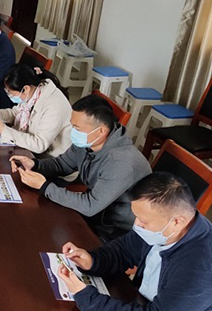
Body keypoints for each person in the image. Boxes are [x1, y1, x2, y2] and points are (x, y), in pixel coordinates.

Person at [57, 172, 212, 311]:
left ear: (176, 222)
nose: (136, 224)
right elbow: (124, 250)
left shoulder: (204, 267)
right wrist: (92, 260)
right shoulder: (166, 229)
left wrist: (86, 297)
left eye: (143, 221)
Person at [11, 94, 151, 241]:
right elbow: (62, 164)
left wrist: (44, 187)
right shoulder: (89, 141)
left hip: (116, 230)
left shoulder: (121, 163)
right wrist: (35, 164)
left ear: (101, 131)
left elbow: (90, 206)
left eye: (77, 128)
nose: (73, 132)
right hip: (96, 213)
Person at [0, 64, 72, 158]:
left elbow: (39, 145)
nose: (10, 95)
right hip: (30, 148)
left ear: (26, 89)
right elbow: (15, 113)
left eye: (10, 92)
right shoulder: (34, 92)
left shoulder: (54, 105)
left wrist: (3, 130)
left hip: (51, 158)